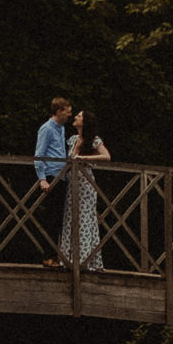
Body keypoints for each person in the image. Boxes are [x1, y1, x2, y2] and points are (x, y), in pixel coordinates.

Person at [57, 110, 108, 272]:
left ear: (85, 122)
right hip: (72, 184)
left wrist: (84, 159)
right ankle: (69, 258)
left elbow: (106, 156)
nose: (75, 117)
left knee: (85, 219)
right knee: (70, 217)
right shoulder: (72, 140)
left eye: (79, 116)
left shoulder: (93, 140)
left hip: (85, 184)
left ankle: (84, 260)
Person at [34, 97, 73, 265]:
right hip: (51, 176)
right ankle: (47, 255)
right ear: (58, 112)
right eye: (67, 112)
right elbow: (39, 154)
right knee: (51, 216)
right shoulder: (47, 129)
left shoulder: (61, 128)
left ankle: (54, 254)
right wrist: (42, 179)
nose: (69, 116)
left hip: (61, 176)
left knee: (58, 217)